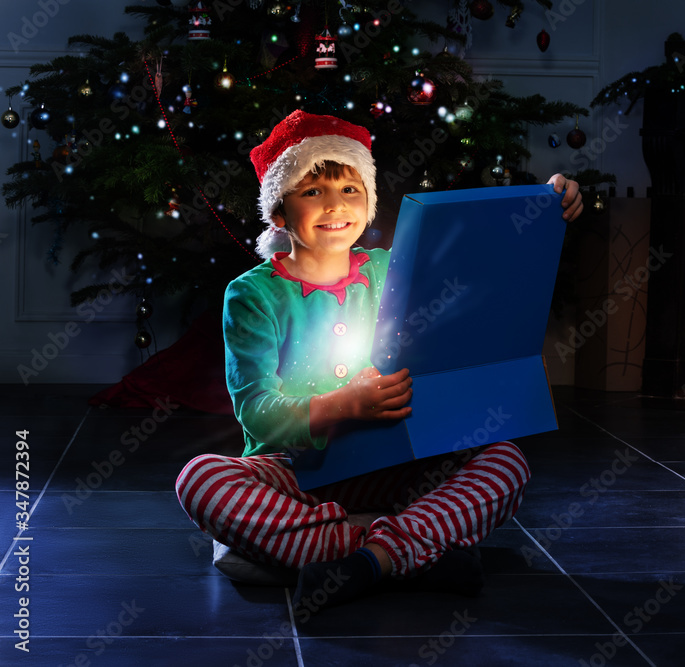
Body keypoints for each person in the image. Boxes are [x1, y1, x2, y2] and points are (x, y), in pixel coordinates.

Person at [175, 110, 583, 612]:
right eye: (312, 191)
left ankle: (358, 557)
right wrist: (341, 405)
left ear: (368, 201)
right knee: (201, 479)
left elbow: (478, 262)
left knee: (505, 462)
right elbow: (257, 410)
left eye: (350, 190)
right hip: (297, 471)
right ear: (278, 213)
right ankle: (399, 551)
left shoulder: (392, 268)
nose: (334, 206)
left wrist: (547, 201)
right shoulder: (253, 294)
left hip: (395, 465)